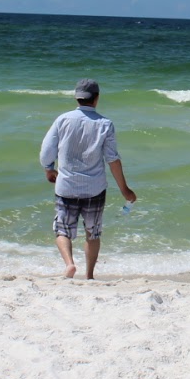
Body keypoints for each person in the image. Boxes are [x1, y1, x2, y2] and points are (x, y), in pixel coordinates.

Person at [39, 78, 136, 279]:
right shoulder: (105, 124)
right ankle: (89, 275)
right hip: (95, 189)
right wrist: (124, 189)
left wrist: (49, 169)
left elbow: (47, 150)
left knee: (63, 231)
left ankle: (69, 264)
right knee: (93, 233)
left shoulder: (63, 120)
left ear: (77, 98)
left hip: (66, 186)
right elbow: (113, 160)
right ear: (96, 98)